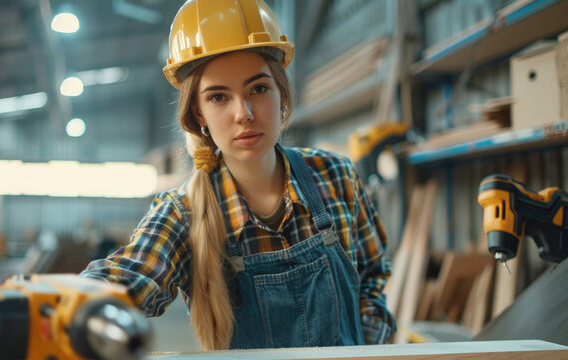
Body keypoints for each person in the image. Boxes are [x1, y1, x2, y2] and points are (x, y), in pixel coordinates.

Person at [80, 0, 395, 350]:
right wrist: (62, 306)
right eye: (218, 97)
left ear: (281, 95)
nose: (243, 114)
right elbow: (130, 278)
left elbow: (372, 277)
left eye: (258, 89)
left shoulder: (336, 176)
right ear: (197, 113)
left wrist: (368, 347)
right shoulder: (184, 213)